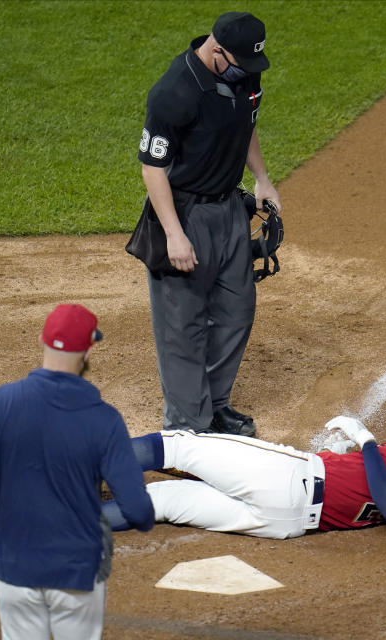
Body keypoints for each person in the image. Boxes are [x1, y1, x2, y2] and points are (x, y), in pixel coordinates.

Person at [0, 304, 154, 640]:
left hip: (15, 564)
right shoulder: (105, 420)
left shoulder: (1, 402)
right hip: (76, 569)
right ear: (88, 350)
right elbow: (137, 509)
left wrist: (2, 493)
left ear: (40, 341)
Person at [136, 11, 282, 438]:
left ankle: (214, 406)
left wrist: (262, 177)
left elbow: (246, 122)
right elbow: (152, 167)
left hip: (229, 212)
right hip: (184, 213)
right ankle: (186, 429)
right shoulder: (175, 91)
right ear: (216, 50)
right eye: (239, 63)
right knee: (183, 324)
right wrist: (174, 235)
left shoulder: (243, 75)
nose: (246, 73)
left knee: (237, 310)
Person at [100, 399, 386, 539]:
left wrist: (366, 440)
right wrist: (342, 455)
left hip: (289, 479)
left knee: (177, 445)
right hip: (285, 522)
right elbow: (377, 489)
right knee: (161, 501)